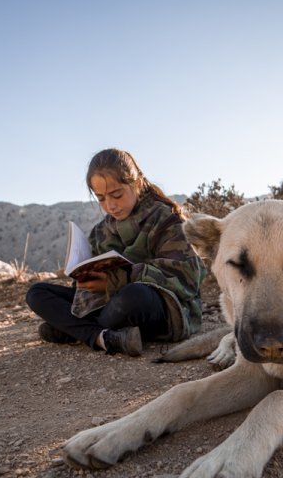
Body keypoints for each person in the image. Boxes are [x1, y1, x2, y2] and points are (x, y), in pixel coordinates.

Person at [26, 148, 207, 357]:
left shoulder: (168, 220)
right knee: (37, 293)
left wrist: (119, 279)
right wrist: (86, 280)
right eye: (101, 198)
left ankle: (73, 329)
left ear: (136, 184)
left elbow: (186, 278)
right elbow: (86, 287)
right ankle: (102, 337)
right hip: (106, 303)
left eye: (116, 195)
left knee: (133, 296)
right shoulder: (101, 232)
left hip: (159, 307)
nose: (110, 205)